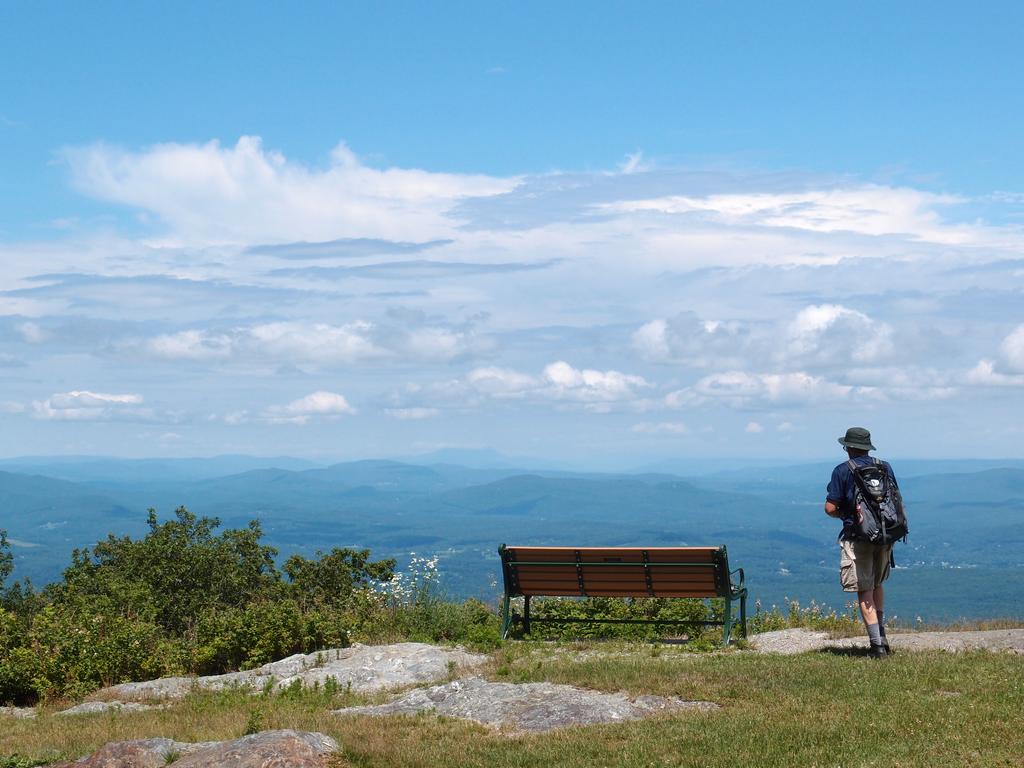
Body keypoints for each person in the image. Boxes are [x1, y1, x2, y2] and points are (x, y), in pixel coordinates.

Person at [824, 426, 898, 659]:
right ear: (867, 446)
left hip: (858, 537)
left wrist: (846, 516)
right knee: (877, 584)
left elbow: (830, 508)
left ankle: (876, 647)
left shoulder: (842, 471)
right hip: (885, 535)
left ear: (848, 447)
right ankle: (882, 635)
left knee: (864, 589)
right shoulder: (884, 466)